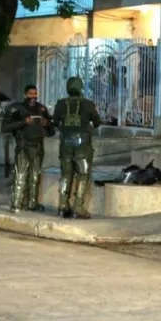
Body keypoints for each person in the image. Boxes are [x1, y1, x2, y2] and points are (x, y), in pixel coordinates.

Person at [51, 77, 102, 219]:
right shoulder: (88, 104)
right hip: (83, 145)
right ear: (80, 88)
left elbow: (55, 122)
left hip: (65, 143)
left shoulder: (61, 104)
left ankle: (62, 205)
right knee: (83, 174)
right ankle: (78, 207)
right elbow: (97, 122)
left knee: (66, 175)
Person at [1, 85, 54, 212]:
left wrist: (46, 124)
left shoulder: (41, 109)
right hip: (23, 146)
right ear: (25, 95)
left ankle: (32, 204)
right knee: (20, 176)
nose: (33, 96)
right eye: (31, 94)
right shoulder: (17, 108)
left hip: (38, 146)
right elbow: (5, 127)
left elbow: (51, 131)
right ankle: (16, 204)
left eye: (35, 93)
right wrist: (24, 122)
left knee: (35, 177)